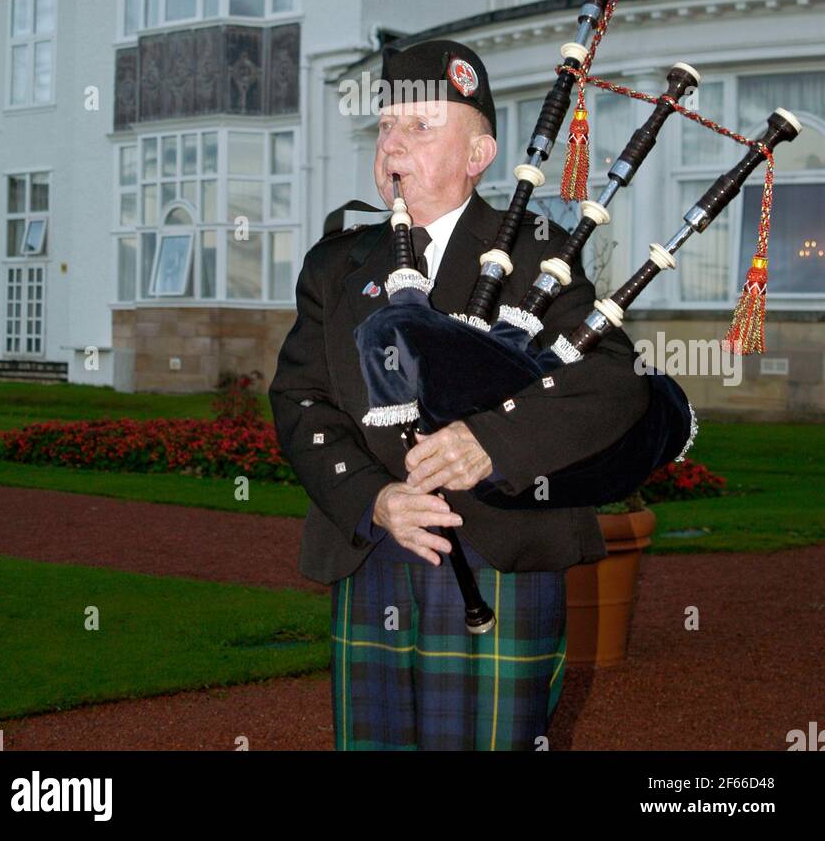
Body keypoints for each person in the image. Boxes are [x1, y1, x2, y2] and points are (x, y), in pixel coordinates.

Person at [269, 37, 643, 751]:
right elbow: (301, 399)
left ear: (478, 156)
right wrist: (373, 498)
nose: (392, 145)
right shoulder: (338, 263)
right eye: (384, 128)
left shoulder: (540, 250)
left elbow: (610, 381)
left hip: (500, 553)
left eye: (419, 126)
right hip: (376, 546)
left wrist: (488, 445)